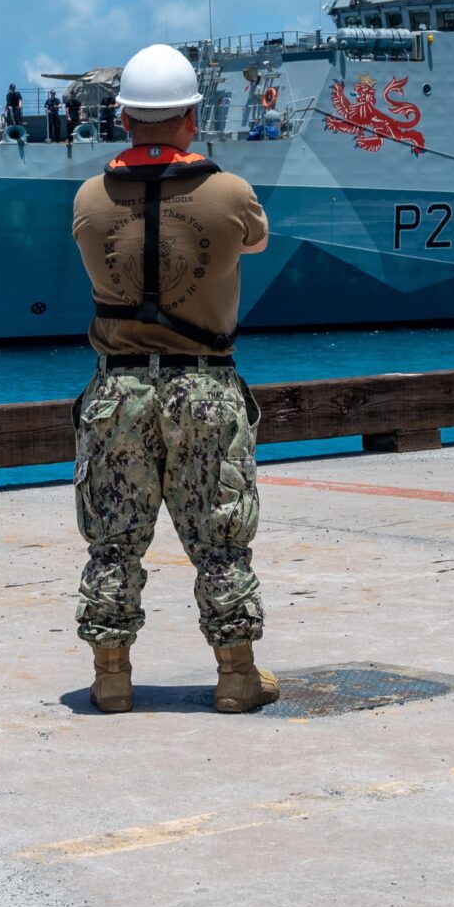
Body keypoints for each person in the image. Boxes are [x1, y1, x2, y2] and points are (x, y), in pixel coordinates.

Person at [68, 43, 277, 717]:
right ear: (192, 116)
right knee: (220, 538)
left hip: (118, 389)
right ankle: (237, 676)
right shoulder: (230, 193)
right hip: (205, 386)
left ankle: (111, 678)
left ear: (124, 118)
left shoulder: (89, 199)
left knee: (114, 537)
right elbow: (254, 243)